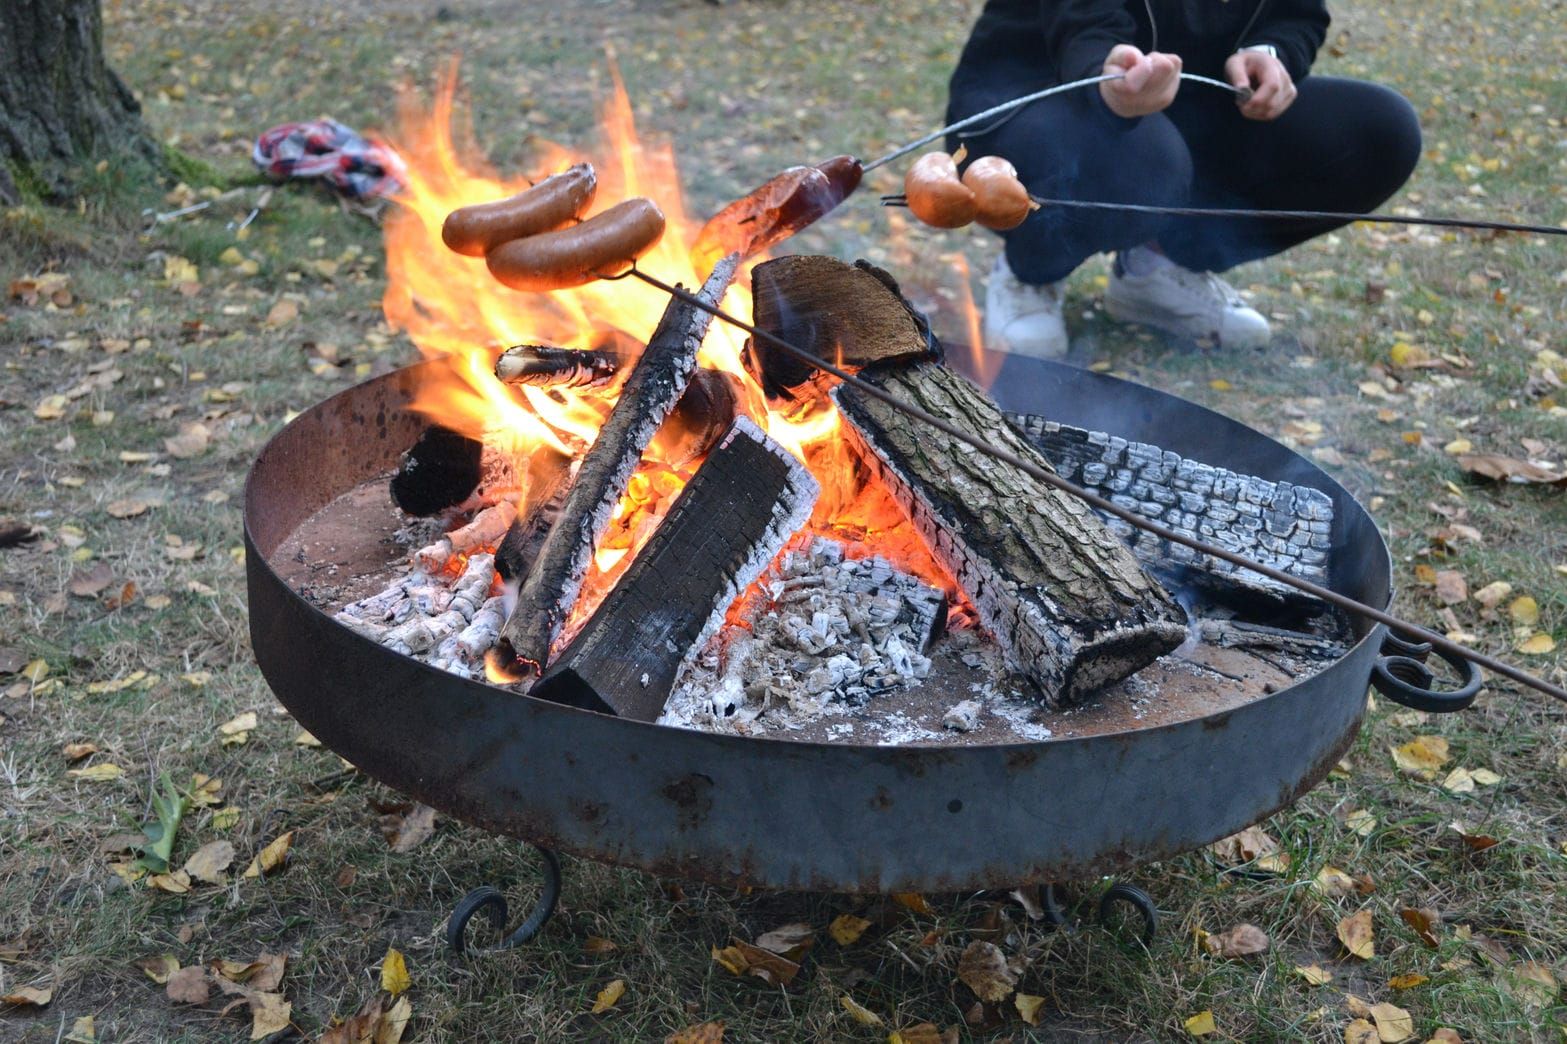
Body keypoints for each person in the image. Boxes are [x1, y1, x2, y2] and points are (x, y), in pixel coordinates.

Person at [948, 0, 1422, 357]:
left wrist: (1270, 51)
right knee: (1152, 162)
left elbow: (1299, 12)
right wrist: (1103, 71)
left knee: (1382, 131)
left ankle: (1154, 271)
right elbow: (1080, 18)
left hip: (1196, 112)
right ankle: (1031, 271)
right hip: (1036, 99)